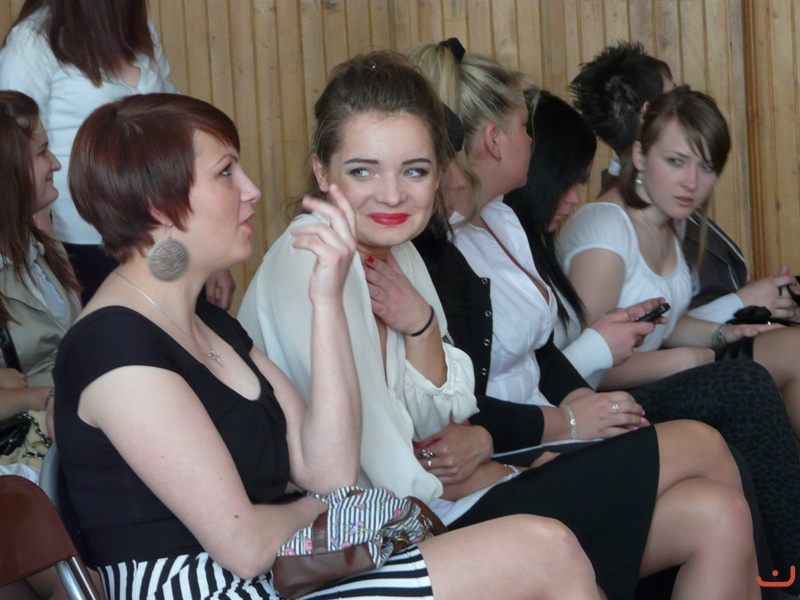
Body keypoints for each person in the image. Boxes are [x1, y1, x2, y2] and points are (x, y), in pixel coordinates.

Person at [240, 48, 761, 599]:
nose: (392, 194)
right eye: (362, 170)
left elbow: (443, 418)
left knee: (716, 514)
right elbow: (376, 466)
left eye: (414, 171)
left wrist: (421, 327)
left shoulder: (402, 254)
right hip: (384, 536)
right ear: (322, 170)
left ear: (440, 172)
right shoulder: (313, 260)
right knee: (699, 444)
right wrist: (512, 468)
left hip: (441, 500)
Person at [52, 92, 601, 600]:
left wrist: (327, 300)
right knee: (546, 549)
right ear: (159, 203)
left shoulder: (207, 323)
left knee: (551, 547)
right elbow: (245, 545)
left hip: (281, 576)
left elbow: (331, 470)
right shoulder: (113, 348)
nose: (251, 190)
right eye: (225, 173)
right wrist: (321, 506)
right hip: (214, 589)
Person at [504, 89, 800, 593]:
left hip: (646, 378)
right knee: (743, 385)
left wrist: (725, 330)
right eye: (676, 162)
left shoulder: (669, 222)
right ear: (640, 156)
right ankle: (785, 573)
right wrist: (684, 360)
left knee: (789, 347)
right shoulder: (607, 227)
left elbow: (660, 322)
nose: (691, 182)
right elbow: (589, 361)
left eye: (706, 167)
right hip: (596, 399)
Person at [0, 0, 235, 307]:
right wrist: (53, 262)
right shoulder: (32, 41)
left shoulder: (136, 28)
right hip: (81, 240)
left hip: (161, 226)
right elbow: (17, 161)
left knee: (187, 325)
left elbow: (179, 138)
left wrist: (210, 248)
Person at [569, 40, 800, 323]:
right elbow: (655, 328)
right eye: (674, 95)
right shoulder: (622, 217)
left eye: (705, 167)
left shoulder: (666, 196)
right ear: (650, 115)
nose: (692, 181)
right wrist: (742, 303)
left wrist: (769, 298)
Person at [0, 90, 80, 600]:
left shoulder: (40, 242)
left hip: (63, 446)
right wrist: (40, 396)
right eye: (41, 152)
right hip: (23, 467)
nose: (55, 164)